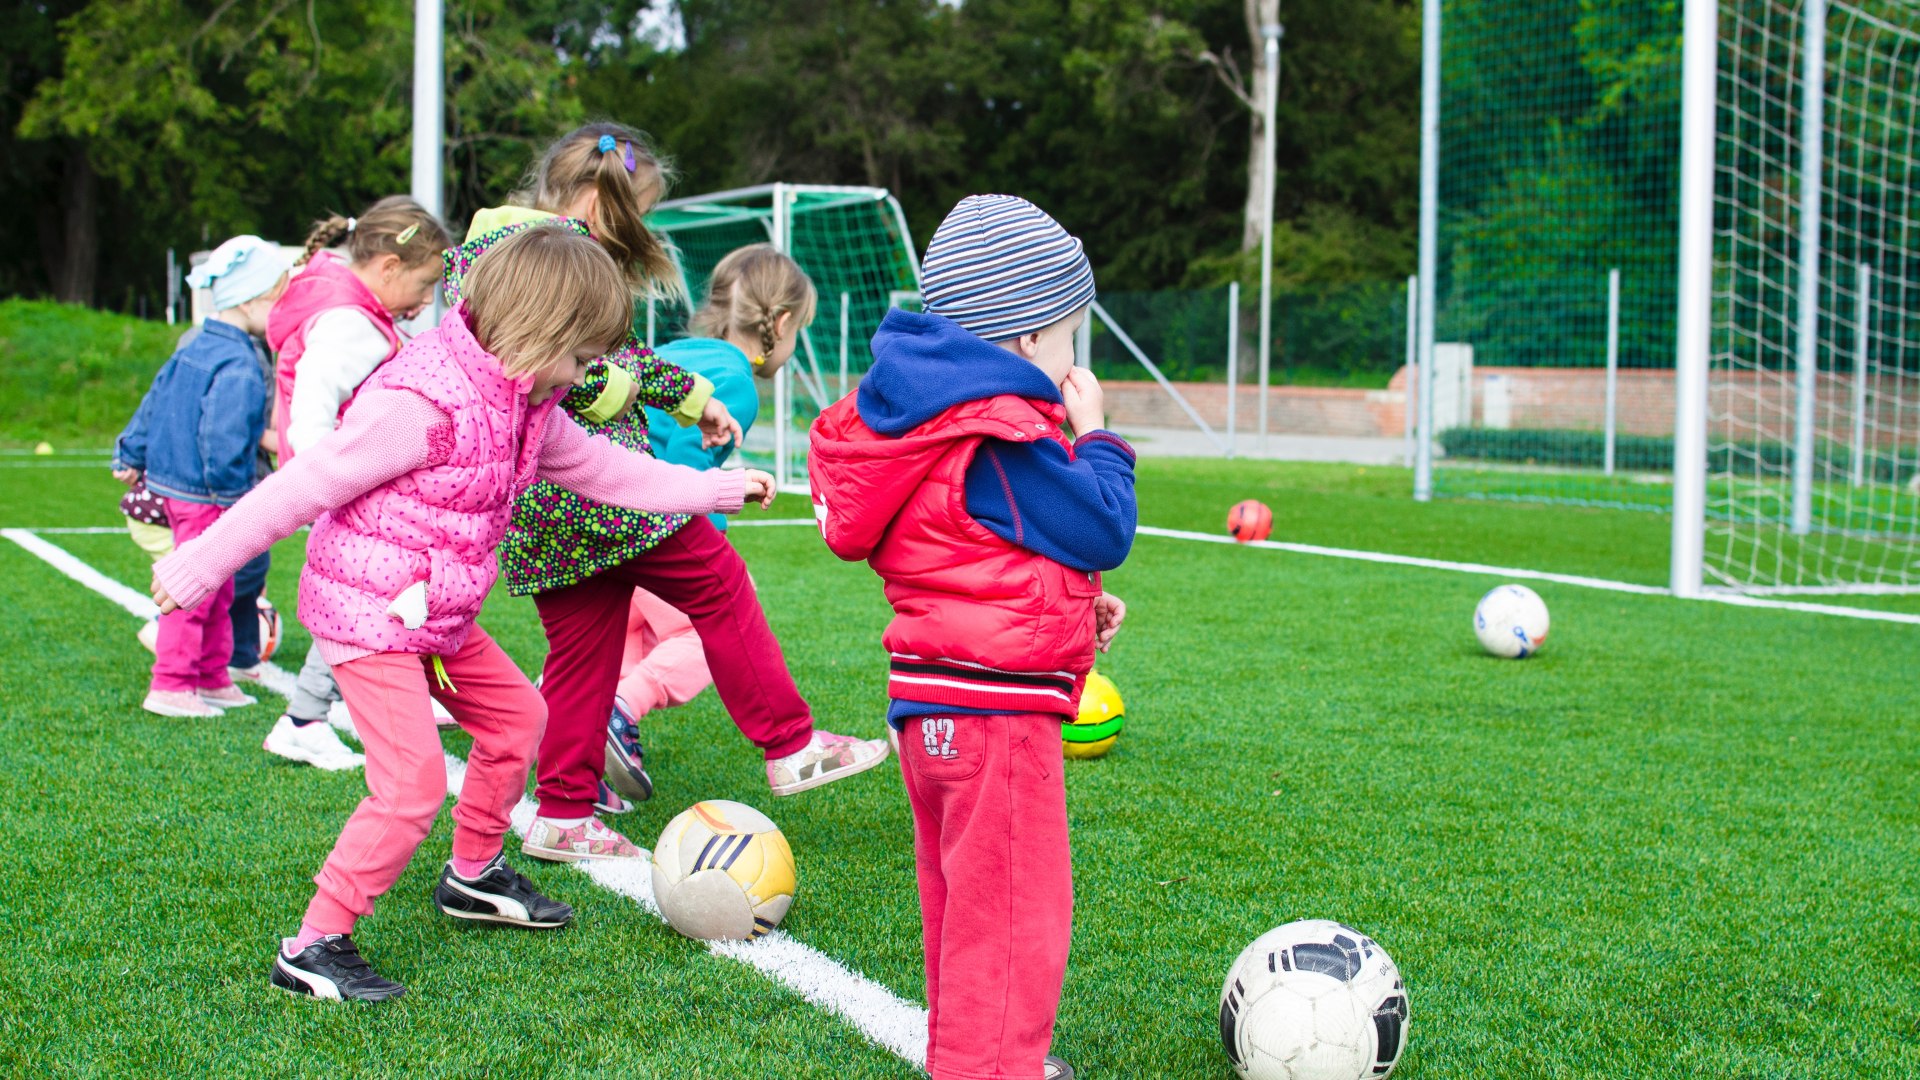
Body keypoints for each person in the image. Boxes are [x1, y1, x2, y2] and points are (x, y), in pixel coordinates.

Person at [149, 225, 777, 1002]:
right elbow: (303, 486)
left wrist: (715, 489)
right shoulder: (419, 404)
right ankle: (313, 945)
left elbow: (604, 470)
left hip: (436, 615)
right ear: (538, 332)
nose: (589, 376)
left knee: (520, 720)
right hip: (369, 616)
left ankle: (473, 876)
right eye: (583, 359)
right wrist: (199, 564)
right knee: (411, 785)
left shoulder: (527, 399)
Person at [444, 123, 886, 868]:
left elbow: (616, 354)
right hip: (599, 490)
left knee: (585, 652)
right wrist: (629, 400)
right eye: (633, 213)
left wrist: (693, 400)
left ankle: (562, 812)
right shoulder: (543, 256)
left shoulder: (497, 248)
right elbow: (571, 372)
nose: (635, 232)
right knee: (718, 582)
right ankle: (790, 743)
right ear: (593, 198)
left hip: (543, 508)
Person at [808, 195, 1138, 1080]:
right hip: (993, 719)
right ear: (1027, 338)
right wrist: (1096, 434)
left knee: (964, 909)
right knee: (1014, 919)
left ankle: (977, 1059)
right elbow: (1103, 524)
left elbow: (975, 550)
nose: (1074, 356)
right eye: (1069, 333)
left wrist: (1075, 607)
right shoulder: (998, 433)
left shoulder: (925, 418)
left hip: (932, 706)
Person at [601, 243, 817, 807]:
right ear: (782, 323)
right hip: (649, 525)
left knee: (619, 638)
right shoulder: (737, 383)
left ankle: (580, 746)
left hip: (598, 522)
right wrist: (705, 546)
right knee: (701, 631)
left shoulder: (675, 352)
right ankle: (621, 710)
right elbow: (684, 466)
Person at [260, 196, 453, 770]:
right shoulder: (350, 325)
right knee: (366, 599)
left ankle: (321, 710)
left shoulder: (352, 308)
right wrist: (333, 482)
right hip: (348, 489)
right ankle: (304, 718)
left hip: (348, 485)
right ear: (389, 268)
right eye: (423, 285)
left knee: (376, 595)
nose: (425, 304)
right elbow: (313, 414)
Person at [113, 236, 292, 719]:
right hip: (208, 494)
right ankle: (171, 683)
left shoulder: (198, 342)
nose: (282, 309)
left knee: (221, 587)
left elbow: (154, 396)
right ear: (253, 300)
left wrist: (130, 449)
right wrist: (236, 498)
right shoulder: (239, 361)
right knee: (195, 588)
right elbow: (223, 435)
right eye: (278, 297)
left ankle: (212, 676)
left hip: (183, 486)